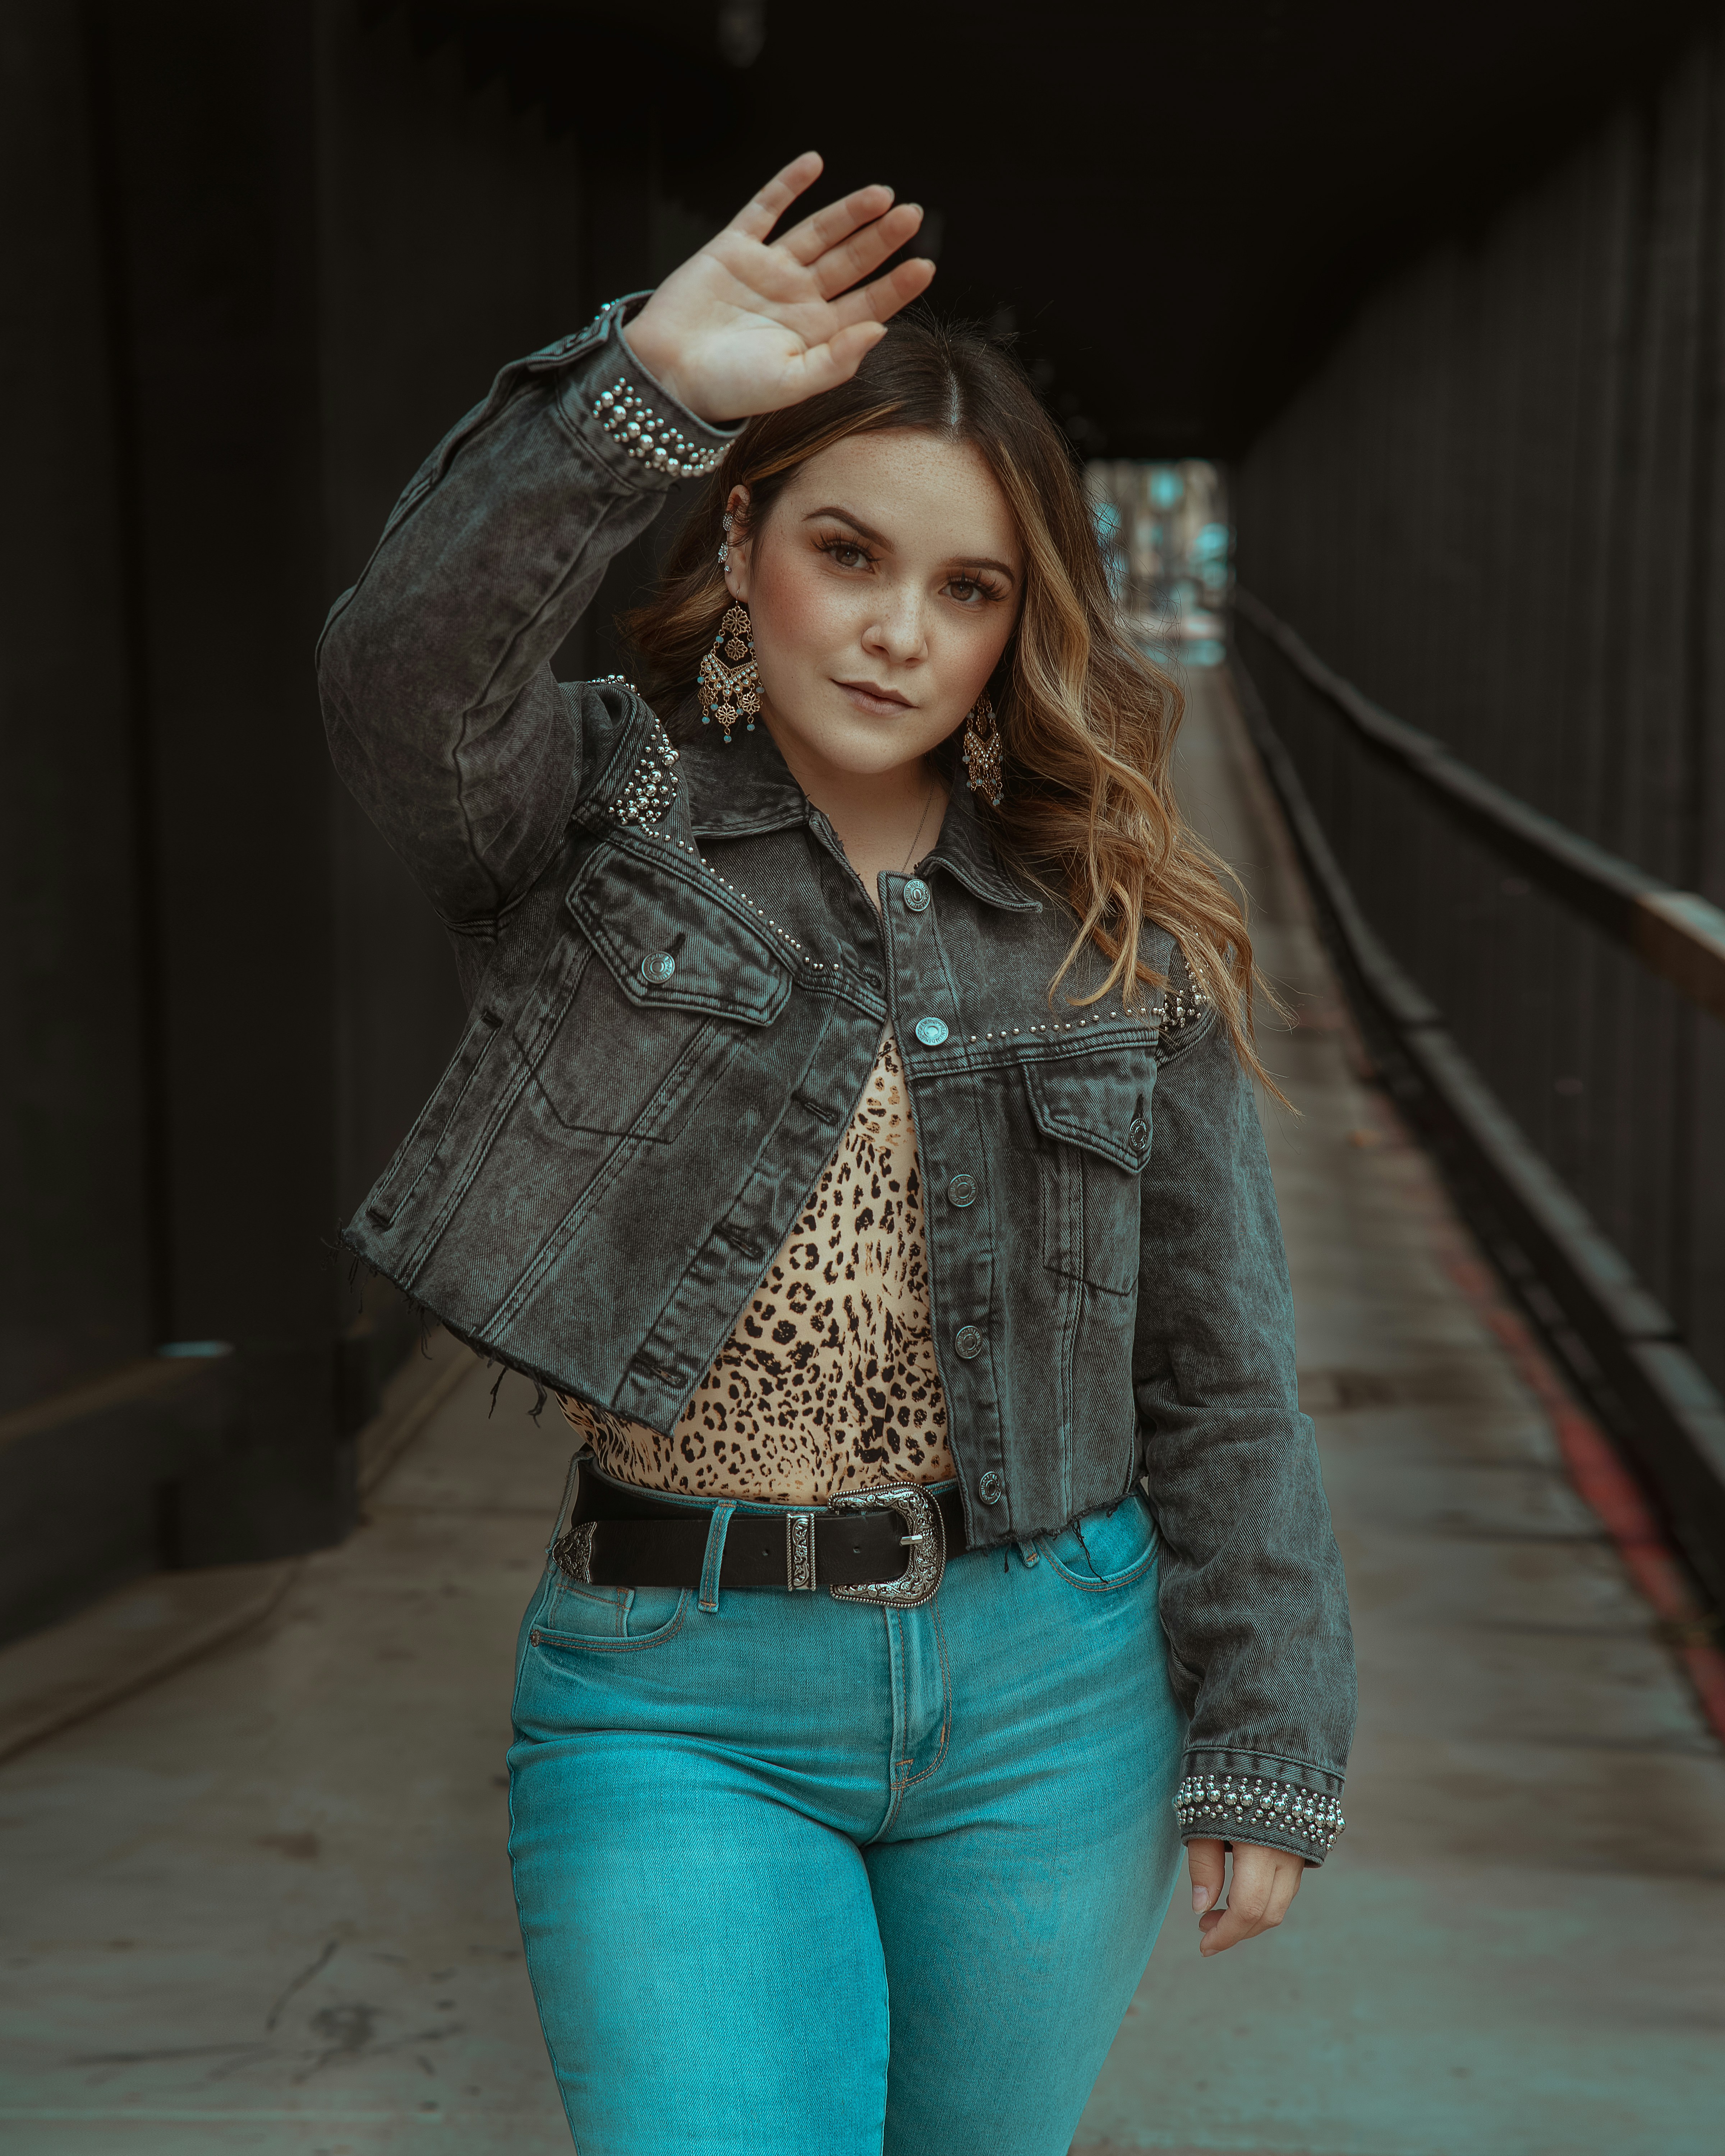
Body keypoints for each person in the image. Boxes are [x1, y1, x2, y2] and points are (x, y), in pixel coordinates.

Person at [319, 152, 1355, 2156]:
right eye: (850, 554)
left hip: (1054, 1691)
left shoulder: (1107, 923)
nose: (897, 633)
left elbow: (1221, 1366)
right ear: (747, 544)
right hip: (676, 1691)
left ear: (1018, 627)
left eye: (967, 590)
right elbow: (398, 683)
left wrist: (1268, 1729)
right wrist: (644, 387)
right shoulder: (605, 821)